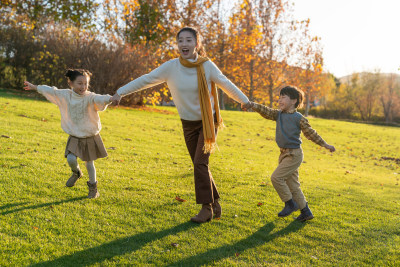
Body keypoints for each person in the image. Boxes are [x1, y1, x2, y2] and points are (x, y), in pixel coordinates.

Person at [110, 27, 251, 223]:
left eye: (188, 40)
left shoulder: (207, 66)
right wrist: (120, 92)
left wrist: (244, 100)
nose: (184, 44)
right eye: (180, 41)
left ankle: (206, 209)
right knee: (199, 164)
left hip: (207, 122)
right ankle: (215, 200)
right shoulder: (171, 67)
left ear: (197, 44)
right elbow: (146, 80)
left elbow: (225, 83)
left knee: (200, 163)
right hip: (187, 123)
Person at [245, 86, 335, 221]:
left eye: (283, 97)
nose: (280, 100)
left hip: (294, 155)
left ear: (293, 101)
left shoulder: (299, 118)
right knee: (293, 185)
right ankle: (306, 212)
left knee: (276, 178)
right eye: (279, 97)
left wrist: (325, 144)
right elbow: (266, 111)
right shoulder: (278, 114)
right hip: (283, 154)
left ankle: (290, 203)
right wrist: (252, 105)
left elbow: (311, 133)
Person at [23, 69, 112, 199]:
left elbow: (100, 98)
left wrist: (110, 99)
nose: (83, 87)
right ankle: (76, 173)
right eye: (79, 83)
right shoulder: (66, 95)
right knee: (70, 159)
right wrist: (35, 87)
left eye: (85, 83)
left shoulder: (90, 97)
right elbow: (51, 91)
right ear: (70, 83)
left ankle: (93, 188)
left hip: (89, 136)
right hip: (75, 136)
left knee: (89, 163)